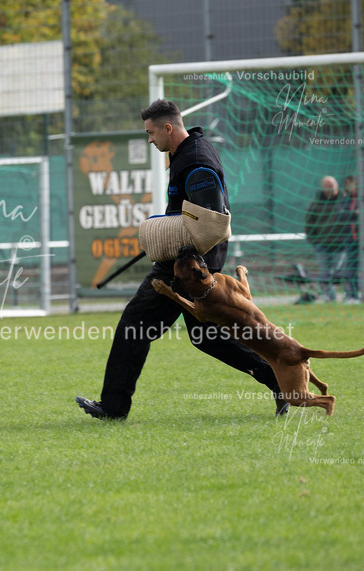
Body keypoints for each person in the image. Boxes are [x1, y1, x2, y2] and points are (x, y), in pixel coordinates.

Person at [75, 99, 284, 420]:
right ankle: (282, 380)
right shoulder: (188, 151)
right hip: (190, 262)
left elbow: (212, 221)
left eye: (151, 133)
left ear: (168, 128)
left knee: (134, 326)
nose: (149, 140)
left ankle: (113, 409)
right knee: (207, 338)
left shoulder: (197, 162)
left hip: (187, 266)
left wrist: (171, 243)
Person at [304, 176, 346, 302]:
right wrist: (313, 240)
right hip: (322, 244)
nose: (330, 188)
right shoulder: (316, 204)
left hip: (340, 245)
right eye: (327, 186)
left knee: (337, 271)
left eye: (332, 185)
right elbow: (309, 223)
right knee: (324, 272)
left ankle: (350, 295)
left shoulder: (344, 201)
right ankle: (329, 297)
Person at [338, 175, 364, 304]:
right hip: (350, 239)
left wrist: (355, 214)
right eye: (347, 184)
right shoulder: (344, 199)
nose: (349, 187)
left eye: (351, 184)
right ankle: (352, 296)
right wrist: (354, 213)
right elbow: (340, 214)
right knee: (351, 268)